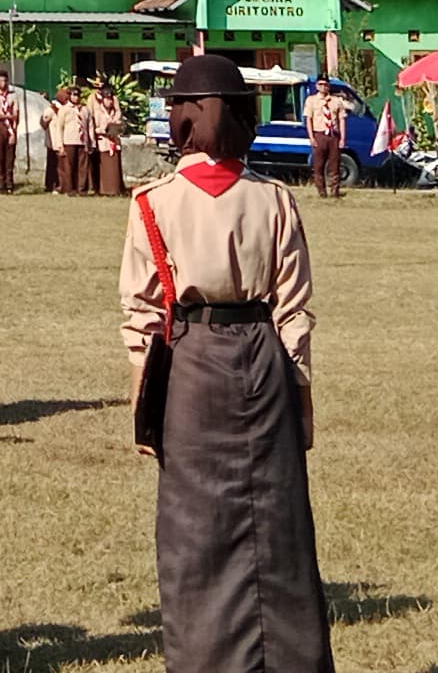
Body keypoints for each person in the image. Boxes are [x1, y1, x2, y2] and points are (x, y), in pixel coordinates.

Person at [123, 52, 327, 672]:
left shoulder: (153, 204)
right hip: (264, 357)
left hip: (189, 360)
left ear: (180, 120)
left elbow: (140, 313)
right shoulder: (275, 199)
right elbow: (294, 309)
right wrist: (301, 396)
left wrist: (142, 404)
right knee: (278, 520)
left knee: (194, 526)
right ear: (245, 118)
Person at [302, 80, 353, 202]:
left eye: (325, 85)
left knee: (335, 164)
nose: (323, 87)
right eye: (320, 85)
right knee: (318, 165)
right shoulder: (311, 100)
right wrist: (311, 137)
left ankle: (334, 191)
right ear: (316, 86)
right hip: (319, 134)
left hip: (333, 135)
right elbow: (308, 119)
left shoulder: (336, 101)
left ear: (328, 86)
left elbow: (342, 120)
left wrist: (342, 138)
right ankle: (321, 191)